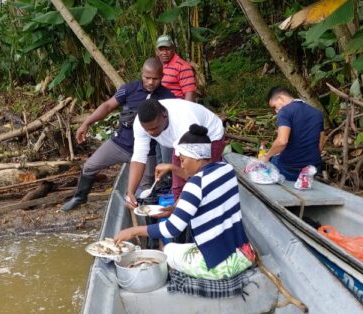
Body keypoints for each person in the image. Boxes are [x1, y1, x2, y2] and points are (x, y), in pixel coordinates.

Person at [114, 124, 254, 280]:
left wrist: (133, 231)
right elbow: (205, 193)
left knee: (167, 250)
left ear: (195, 157)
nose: (181, 165)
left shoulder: (195, 184)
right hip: (244, 253)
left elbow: (172, 229)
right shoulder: (226, 169)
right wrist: (175, 208)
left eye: (182, 160)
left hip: (221, 267)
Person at [61, 58, 176, 211]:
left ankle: (146, 221)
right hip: (119, 144)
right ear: (142, 74)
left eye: (155, 79)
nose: (150, 82)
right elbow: (108, 106)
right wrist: (86, 123)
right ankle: (80, 197)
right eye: (147, 78)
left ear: (162, 77)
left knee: (146, 189)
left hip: (147, 152)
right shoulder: (129, 89)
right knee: (89, 166)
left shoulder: (167, 97)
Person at [125, 99, 224, 210]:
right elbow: (139, 156)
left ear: (164, 115)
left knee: (205, 182)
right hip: (180, 140)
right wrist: (130, 193)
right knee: (178, 186)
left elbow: (197, 177)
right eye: (146, 130)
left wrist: (175, 208)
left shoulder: (184, 120)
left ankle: (202, 213)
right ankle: (182, 218)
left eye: (154, 128)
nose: (151, 133)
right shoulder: (140, 122)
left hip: (210, 137)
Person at [257, 87, 324, 181]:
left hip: (291, 169)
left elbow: (282, 142)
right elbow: (320, 145)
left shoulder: (285, 111)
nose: (276, 111)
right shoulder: (317, 113)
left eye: (274, 106)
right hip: (313, 168)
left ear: (281, 98)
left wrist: (266, 156)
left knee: (270, 161)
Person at [156, 35, 196, 102]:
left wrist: (187, 110)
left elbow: (189, 93)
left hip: (176, 106)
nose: (164, 53)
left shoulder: (183, 66)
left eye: (168, 49)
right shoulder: (156, 65)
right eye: (161, 50)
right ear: (156, 51)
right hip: (158, 106)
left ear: (173, 49)